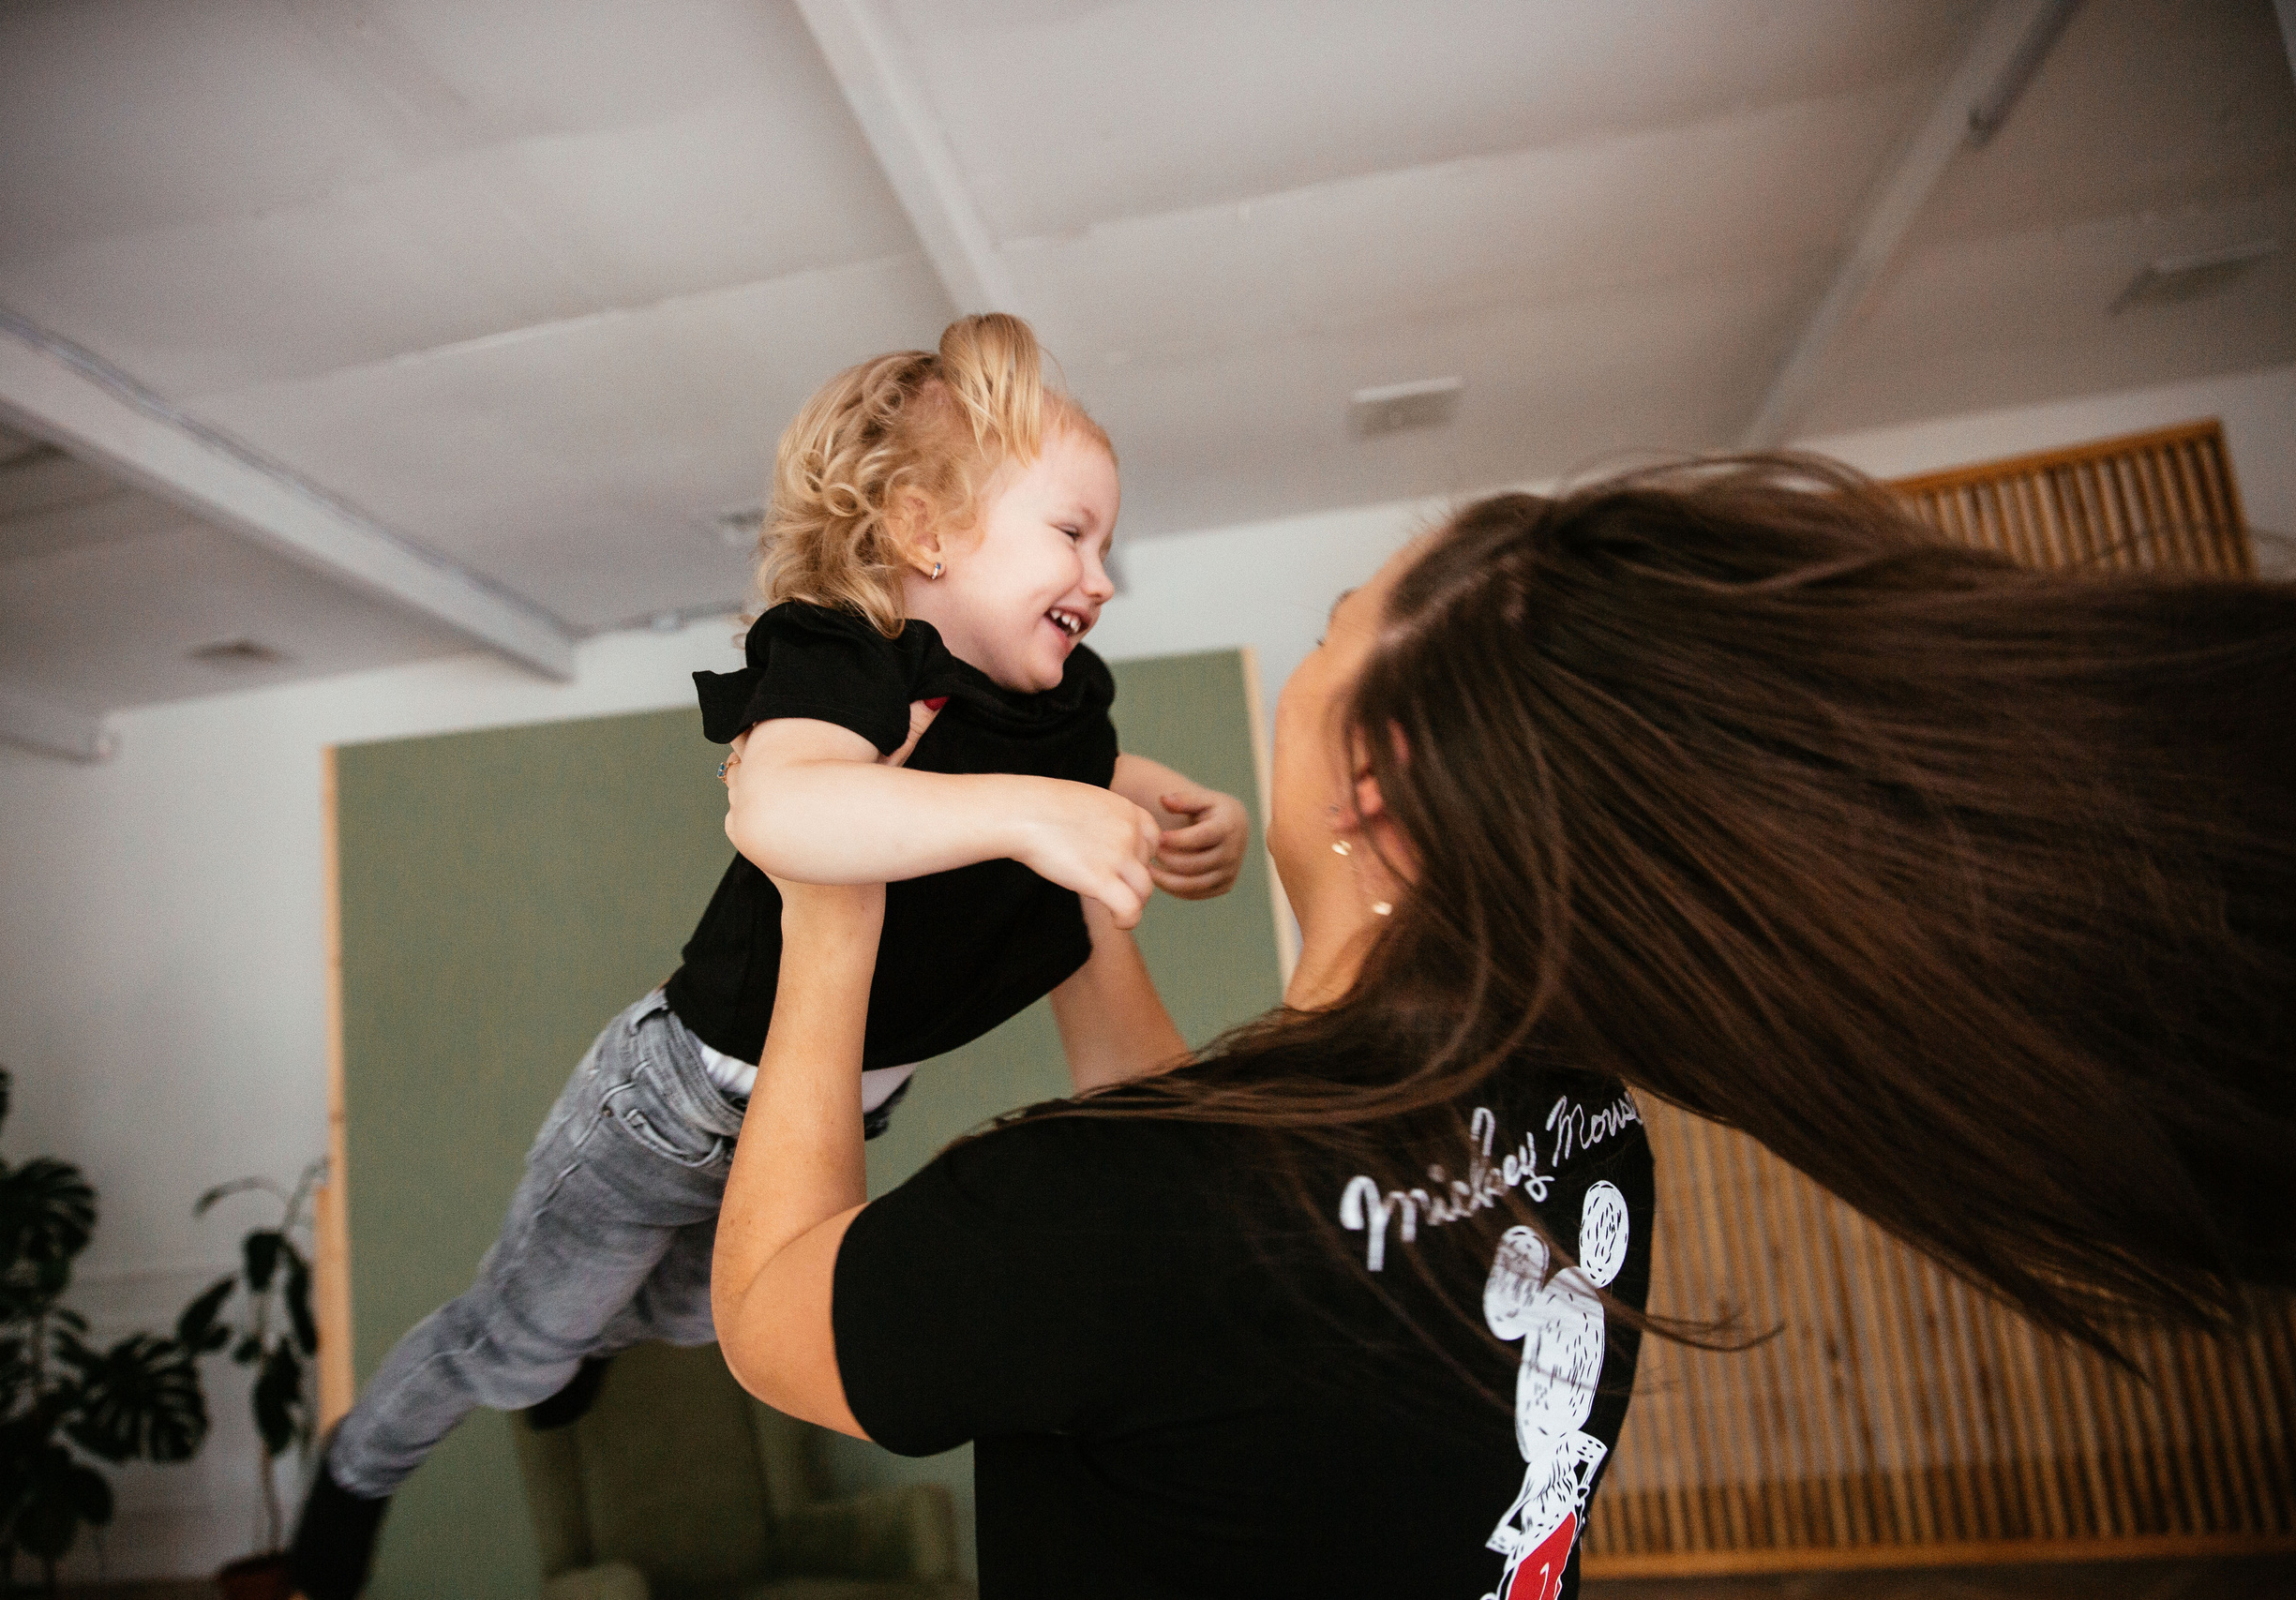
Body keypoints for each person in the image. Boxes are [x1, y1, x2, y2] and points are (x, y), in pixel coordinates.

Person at [710, 457, 2293, 1599]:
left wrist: (830, 907)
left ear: (1374, 782)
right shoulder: (1573, 1115)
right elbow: (1206, 1242)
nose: (1310, 654)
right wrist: (1047, 877)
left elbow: (779, 1314)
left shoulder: (1141, 1212)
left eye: (1329, 630)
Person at [287, 314, 1252, 1600]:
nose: (1104, 576)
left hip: (830, 1111)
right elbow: (783, 810)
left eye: (1107, 542)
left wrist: (1164, 793)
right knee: (516, 1351)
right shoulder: (840, 657)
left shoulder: (1056, 708)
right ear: (925, 533)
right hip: (668, 1108)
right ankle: (357, 1471)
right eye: (1073, 532)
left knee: (707, 1322)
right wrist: (1037, 813)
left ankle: (586, 1339)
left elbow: (1055, 769)